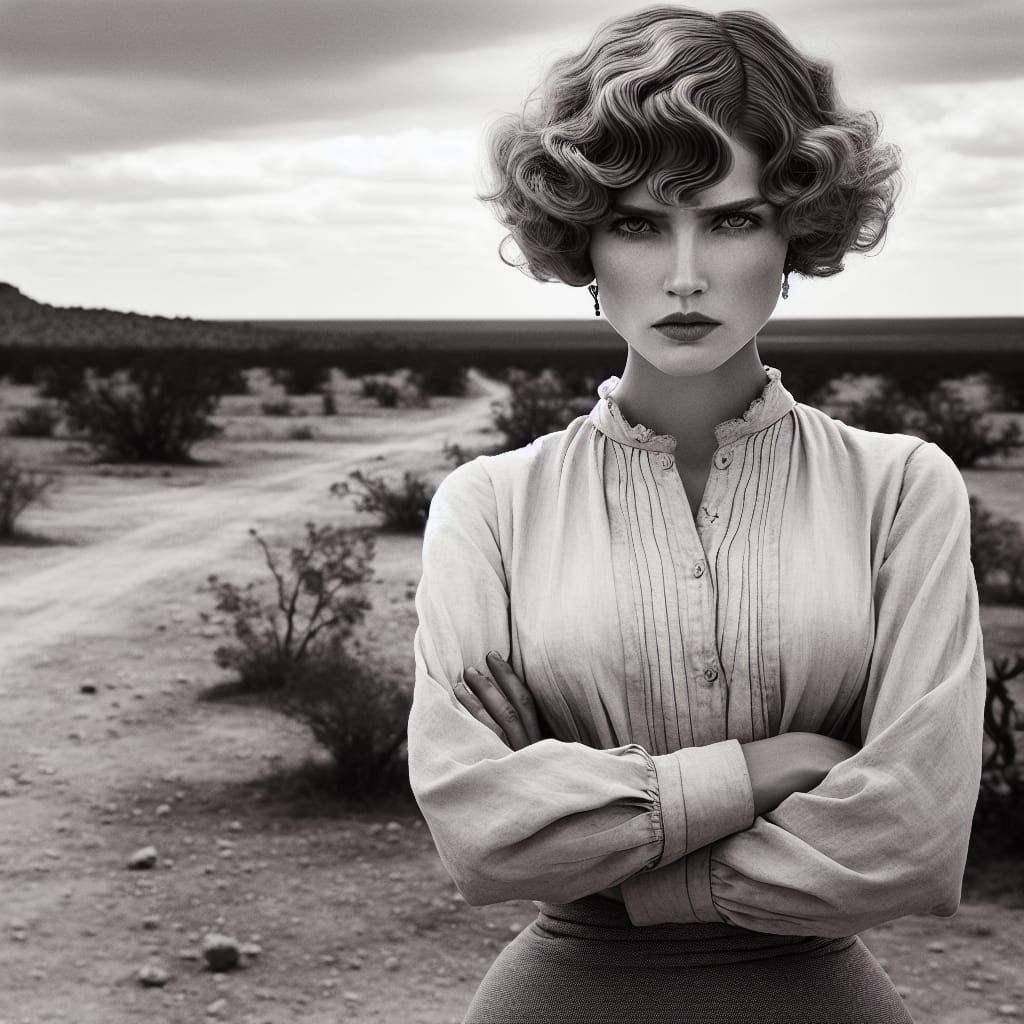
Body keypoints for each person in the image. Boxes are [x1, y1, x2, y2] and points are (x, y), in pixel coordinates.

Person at [407, 6, 986, 1023]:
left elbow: (912, 841)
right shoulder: (489, 507)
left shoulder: (901, 487)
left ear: (794, 228)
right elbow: (481, 834)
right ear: (580, 239)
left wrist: (596, 823)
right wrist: (783, 764)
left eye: (728, 217)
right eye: (637, 223)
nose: (683, 274)